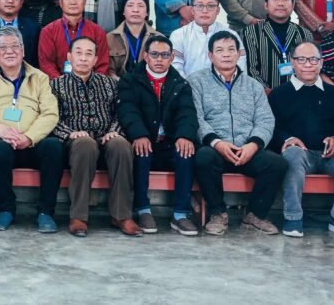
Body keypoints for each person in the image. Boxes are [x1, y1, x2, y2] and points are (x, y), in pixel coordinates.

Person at [192, 31, 286, 236]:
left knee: (276, 163)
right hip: (215, 148)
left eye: (231, 50)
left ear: (238, 54)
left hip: (246, 149)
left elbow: (265, 120)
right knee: (203, 157)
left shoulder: (253, 86)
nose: (226, 54)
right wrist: (217, 143)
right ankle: (217, 214)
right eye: (219, 50)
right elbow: (196, 119)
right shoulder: (196, 82)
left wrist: (253, 145)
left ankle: (255, 216)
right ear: (210, 56)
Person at [268, 42, 334, 239]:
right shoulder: (279, 94)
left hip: (330, 155)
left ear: (321, 63)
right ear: (292, 63)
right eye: (301, 59)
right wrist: (288, 139)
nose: (308, 64)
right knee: (292, 154)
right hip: (300, 155)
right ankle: (293, 217)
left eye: (313, 60)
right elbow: (271, 127)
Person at [0, 27, 62, 232]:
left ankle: (46, 212)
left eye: (14, 46)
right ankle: (6, 209)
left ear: (23, 50)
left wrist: (29, 137)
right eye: (3, 47)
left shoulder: (39, 77)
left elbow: (50, 114)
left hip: (33, 143)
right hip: (1, 142)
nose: (9, 51)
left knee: (54, 147)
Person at [50, 36, 140, 237]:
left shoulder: (109, 83)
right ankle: (79, 216)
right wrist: (69, 133)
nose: (83, 58)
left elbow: (121, 112)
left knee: (121, 145)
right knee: (85, 144)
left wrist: (114, 130)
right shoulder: (56, 85)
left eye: (88, 54)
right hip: (75, 140)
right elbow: (50, 117)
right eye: (79, 53)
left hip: (105, 135)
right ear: (69, 57)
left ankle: (121, 215)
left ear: (96, 59)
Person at [118, 35, 200, 236]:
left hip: (169, 141)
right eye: (154, 54)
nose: (159, 59)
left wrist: (184, 136)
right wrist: (139, 134)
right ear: (146, 56)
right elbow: (128, 110)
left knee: (186, 152)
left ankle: (181, 214)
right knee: (141, 151)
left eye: (164, 55)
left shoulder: (180, 83)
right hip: (144, 139)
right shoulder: (130, 80)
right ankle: (143, 210)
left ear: (171, 58)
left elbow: (187, 113)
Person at [241, 0, 314, 89]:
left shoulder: (304, 34)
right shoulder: (251, 32)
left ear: (293, 5)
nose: (280, 3)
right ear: (266, 5)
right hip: (264, 94)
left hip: (299, 92)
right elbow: (250, 68)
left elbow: (310, 67)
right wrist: (265, 91)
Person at [37, 0, 111, 79]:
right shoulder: (48, 31)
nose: (73, 2)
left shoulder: (97, 31)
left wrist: (91, 84)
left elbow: (103, 64)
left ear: (85, 2)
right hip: (57, 84)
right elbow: (46, 64)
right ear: (60, 2)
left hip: (91, 85)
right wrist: (62, 84)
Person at [170, 0, 246, 78]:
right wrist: (189, 86)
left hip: (225, 86)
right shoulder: (178, 35)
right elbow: (176, 70)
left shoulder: (232, 35)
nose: (205, 11)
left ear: (218, 10)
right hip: (187, 86)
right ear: (192, 10)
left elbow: (240, 70)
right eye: (200, 6)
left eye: (210, 6)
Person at [107, 0, 162, 78]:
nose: (135, 10)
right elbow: (108, 70)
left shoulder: (159, 38)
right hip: (118, 84)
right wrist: (121, 83)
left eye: (140, 6)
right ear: (123, 12)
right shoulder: (110, 38)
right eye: (130, 5)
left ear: (147, 13)